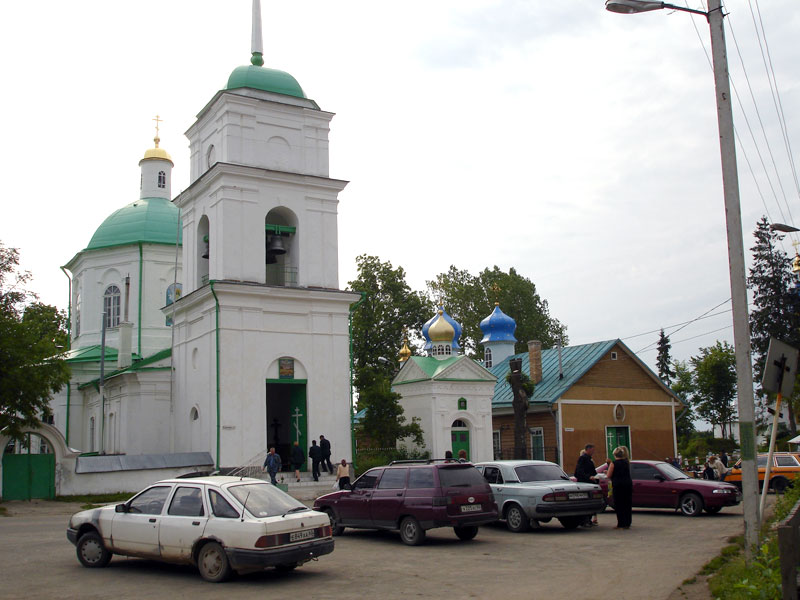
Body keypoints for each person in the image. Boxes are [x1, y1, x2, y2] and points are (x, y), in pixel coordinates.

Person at [606, 446, 632, 529]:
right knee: (627, 504)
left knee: (619, 504)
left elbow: (609, 475)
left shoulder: (613, 463)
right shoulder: (626, 462)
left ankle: (621, 523)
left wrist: (608, 467)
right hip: (627, 484)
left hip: (618, 485)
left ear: (615, 455)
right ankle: (627, 522)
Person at [574, 444, 599, 526]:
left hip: (590, 483)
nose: (593, 452)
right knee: (585, 502)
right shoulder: (583, 458)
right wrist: (588, 477)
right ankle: (584, 520)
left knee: (591, 502)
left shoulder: (589, 459)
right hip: (585, 483)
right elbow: (579, 471)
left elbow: (593, 471)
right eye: (592, 450)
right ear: (587, 450)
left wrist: (596, 476)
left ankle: (588, 519)